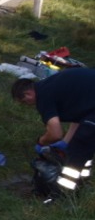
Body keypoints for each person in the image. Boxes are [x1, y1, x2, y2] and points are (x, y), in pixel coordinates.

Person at [12, 68, 95, 197]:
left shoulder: (43, 96)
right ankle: (82, 184)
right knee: (84, 148)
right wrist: (65, 143)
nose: (28, 105)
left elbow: (55, 133)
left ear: (28, 94)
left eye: (24, 102)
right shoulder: (50, 86)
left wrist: (41, 142)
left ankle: (62, 195)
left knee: (77, 151)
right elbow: (79, 119)